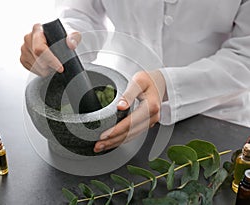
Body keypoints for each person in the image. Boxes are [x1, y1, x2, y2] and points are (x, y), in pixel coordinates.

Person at [20, 1, 250, 153]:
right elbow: (81, 12)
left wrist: (168, 84)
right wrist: (63, 45)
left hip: (217, 116)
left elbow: (245, 54)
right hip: (125, 109)